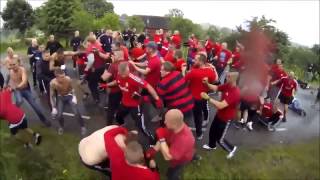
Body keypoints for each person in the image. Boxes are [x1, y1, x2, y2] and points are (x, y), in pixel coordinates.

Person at [113, 62, 163, 138]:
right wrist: (107, 85)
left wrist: (157, 98)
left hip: (135, 105)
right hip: (124, 102)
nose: (123, 75)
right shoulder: (118, 75)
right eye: (122, 74)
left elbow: (148, 86)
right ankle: (122, 127)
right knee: (118, 117)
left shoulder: (134, 78)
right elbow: (117, 82)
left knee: (140, 125)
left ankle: (150, 138)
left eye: (126, 72)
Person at [146, 109, 195, 180]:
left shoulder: (184, 140)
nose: (165, 122)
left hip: (181, 159)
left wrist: (162, 139)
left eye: (167, 121)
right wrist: (151, 152)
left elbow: (168, 157)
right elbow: (162, 139)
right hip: (177, 149)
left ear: (174, 124)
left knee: (173, 174)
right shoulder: (175, 126)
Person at [201, 72, 240, 159]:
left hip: (226, 119)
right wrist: (207, 84)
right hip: (219, 114)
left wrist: (208, 98)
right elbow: (216, 88)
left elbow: (221, 105)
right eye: (227, 75)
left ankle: (232, 149)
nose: (226, 77)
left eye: (229, 76)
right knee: (212, 131)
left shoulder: (235, 92)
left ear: (234, 79)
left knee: (220, 139)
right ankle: (212, 146)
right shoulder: (227, 85)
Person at [6, 57, 51, 127]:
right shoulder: (10, 71)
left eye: (14, 64)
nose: (12, 66)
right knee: (19, 102)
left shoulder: (22, 70)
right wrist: (7, 85)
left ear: (18, 63)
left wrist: (15, 87)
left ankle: (44, 119)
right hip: (17, 91)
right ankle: (12, 118)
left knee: (35, 106)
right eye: (11, 65)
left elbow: (24, 81)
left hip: (25, 90)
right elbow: (8, 77)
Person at [185, 53, 218, 139]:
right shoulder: (210, 71)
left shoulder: (193, 72)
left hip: (194, 98)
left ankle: (197, 133)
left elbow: (184, 80)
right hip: (203, 96)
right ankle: (200, 132)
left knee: (196, 115)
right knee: (200, 112)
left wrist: (184, 70)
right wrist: (214, 69)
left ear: (201, 61)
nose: (193, 61)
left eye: (196, 60)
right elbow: (215, 80)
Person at [100, 50, 134, 125]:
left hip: (115, 90)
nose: (112, 56)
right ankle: (121, 122)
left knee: (111, 109)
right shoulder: (129, 64)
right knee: (122, 104)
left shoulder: (113, 65)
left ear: (118, 56)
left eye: (114, 55)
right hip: (126, 90)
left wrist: (107, 66)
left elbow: (104, 78)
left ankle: (108, 125)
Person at [50, 69, 87, 135]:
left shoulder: (68, 79)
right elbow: (52, 95)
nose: (64, 78)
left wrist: (74, 97)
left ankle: (83, 127)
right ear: (57, 77)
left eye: (64, 76)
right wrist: (53, 107)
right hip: (60, 97)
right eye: (62, 77)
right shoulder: (53, 83)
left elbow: (74, 88)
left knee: (76, 113)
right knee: (59, 115)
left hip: (69, 96)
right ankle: (61, 127)